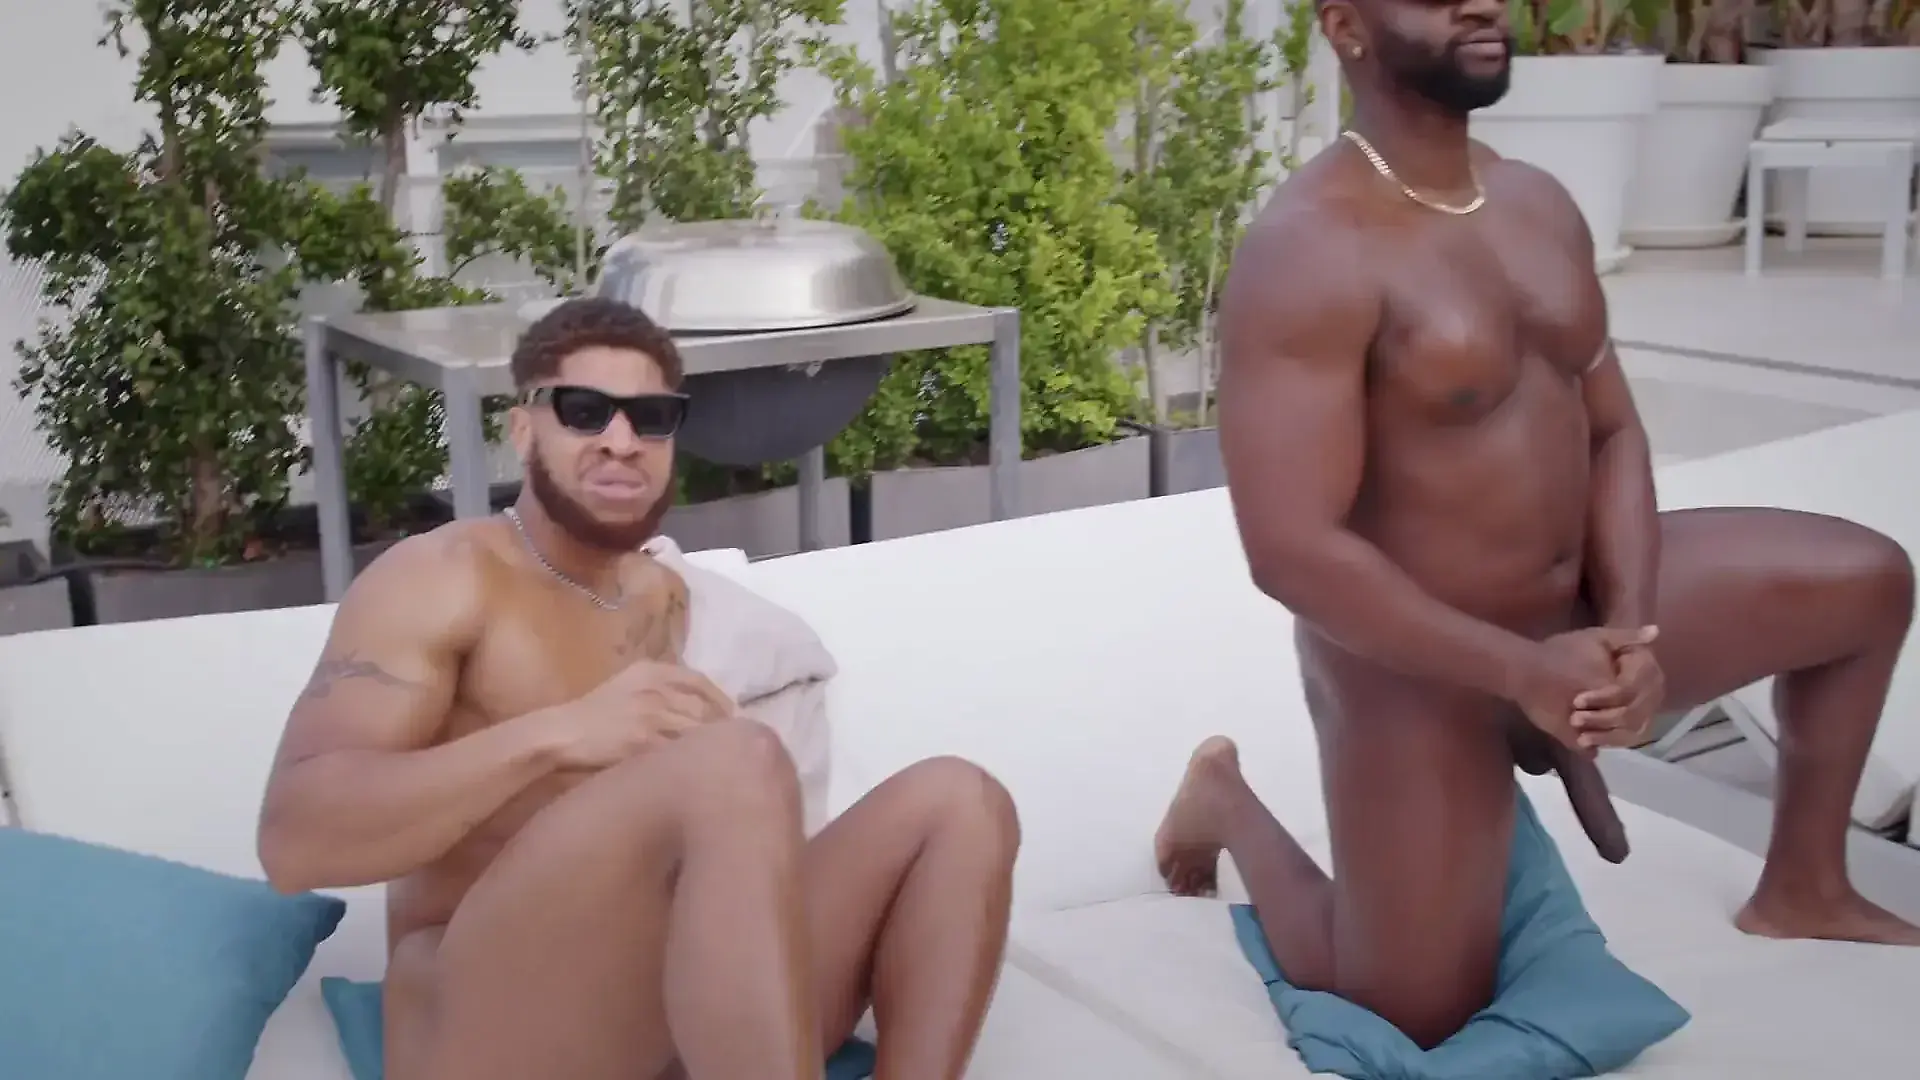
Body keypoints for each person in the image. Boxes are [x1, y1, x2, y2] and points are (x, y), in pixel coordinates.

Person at [1151, 0, 1920, 1053]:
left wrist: (1630, 638)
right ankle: (1226, 799)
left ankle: (1804, 885)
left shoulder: (1536, 202)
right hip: (1416, 665)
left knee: (1865, 581)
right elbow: (1291, 551)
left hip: (1577, 616)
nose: (1481, 1)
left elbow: (1613, 431)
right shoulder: (1309, 248)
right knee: (1410, 1012)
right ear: (1346, 26)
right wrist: (1522, 673)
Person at [256, 297, 1020, 1080]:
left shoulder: (668, 598)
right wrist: (560, 733)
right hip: (481, 1026)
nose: (620, 441)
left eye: (650, 418)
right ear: (523, 429)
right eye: (584, 411)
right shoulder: (444, 578)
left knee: (961, 803)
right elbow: (293, 844)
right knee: (734, 762)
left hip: (651, 1013)